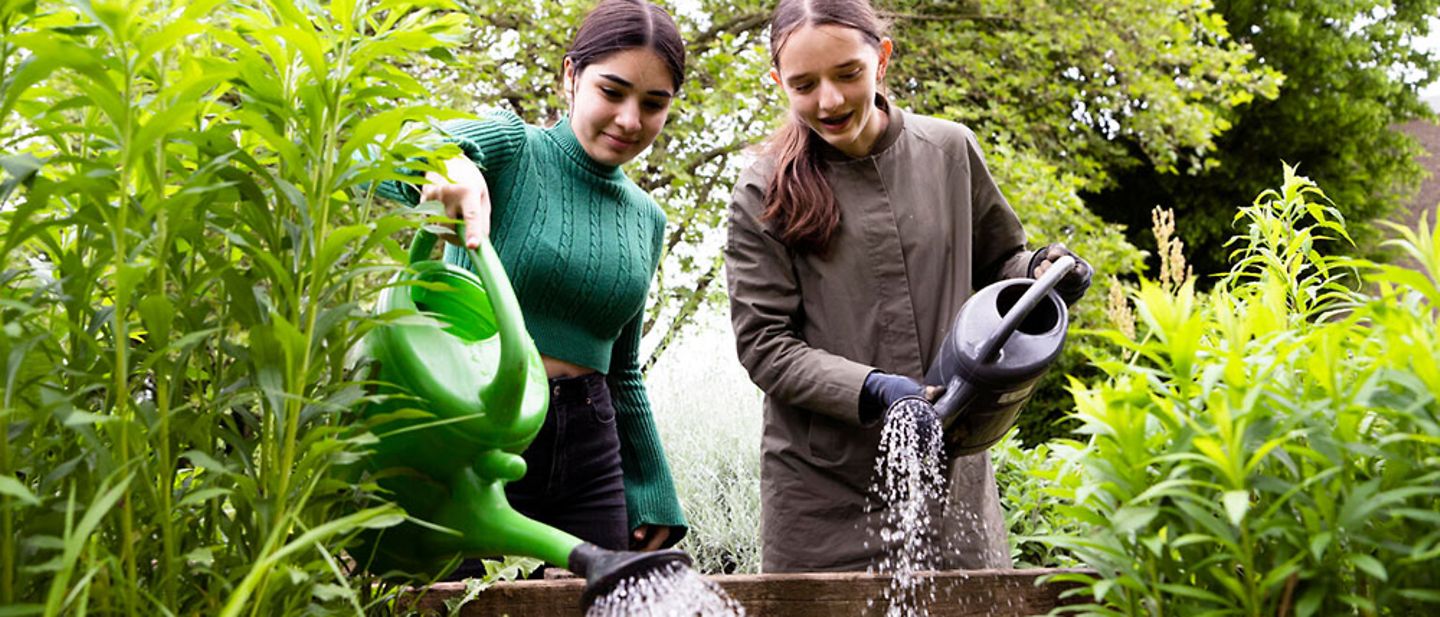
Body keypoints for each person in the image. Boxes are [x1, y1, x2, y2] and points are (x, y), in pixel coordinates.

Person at [724, 0, 1093, 573]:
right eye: (803, 85)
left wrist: (1043, 272)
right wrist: (876, 390)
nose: (829, 100)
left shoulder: (949, 152)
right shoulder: (763, 191)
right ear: (778, 82)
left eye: (848, 74)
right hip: (821, 503)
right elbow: (766, 345)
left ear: (882, 58)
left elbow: (1002, 264)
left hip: (952, 489)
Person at [374, 0, 688, 573]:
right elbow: (386, 154)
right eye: (612, 92)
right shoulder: (512, 148)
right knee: (457, 606)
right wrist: (447, 164)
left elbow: (623, 367)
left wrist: (652, 488)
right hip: (479, 425)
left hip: (591, 447)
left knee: (602, 606)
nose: (629, 119)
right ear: (571, 76)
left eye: (653, 104)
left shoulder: (647, 218)